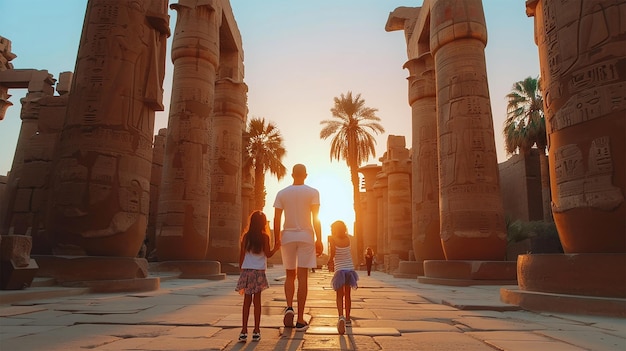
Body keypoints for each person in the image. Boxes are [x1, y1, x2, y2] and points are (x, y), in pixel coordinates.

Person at [273, 164, 323, 331]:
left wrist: (276, 239)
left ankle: (289, 307)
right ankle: (300, 319)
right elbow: (316, 218)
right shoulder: (313, 192)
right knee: (303, 277)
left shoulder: (282, 193)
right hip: (306, 236)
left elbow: (276, 218)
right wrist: (319, 239)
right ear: (306, 175)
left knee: (289, 275)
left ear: (292, 174)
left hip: (287, 236)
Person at [236, 211, 278, 343]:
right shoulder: (264, 237)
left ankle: (243, 331)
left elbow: (242, 254)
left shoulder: (246, 237)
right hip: (259, 272)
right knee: (257, 303)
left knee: (246, 303)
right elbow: (268, 254)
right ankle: (256, 331)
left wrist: (241, 268)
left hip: (247, 270)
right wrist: (276, 247)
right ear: (263, 223)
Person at [327, 220, 359, 335]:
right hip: (349, 269)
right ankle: (348, 318)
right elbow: (351, 252)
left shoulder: (332, 239)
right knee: (348, 295)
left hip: (339, 269)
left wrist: (330, 260)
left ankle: (341, 316)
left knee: (339, 295)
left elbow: (333, 252)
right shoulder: (348, 239)